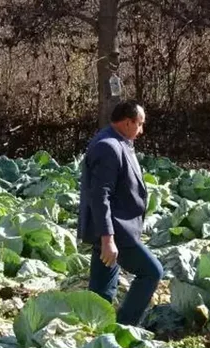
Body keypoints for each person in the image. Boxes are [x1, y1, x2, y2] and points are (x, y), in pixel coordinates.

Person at [77, 100, 164, 326]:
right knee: (151, 272)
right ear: (127, 122)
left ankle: (96, 331)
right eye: (140, 124)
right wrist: (108, 239)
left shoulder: (118, 141)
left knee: (101, 291)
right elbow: (100, 196)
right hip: (116, 232)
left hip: (113, 231)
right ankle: (124, 326)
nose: (141, 130)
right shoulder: (108, 146)